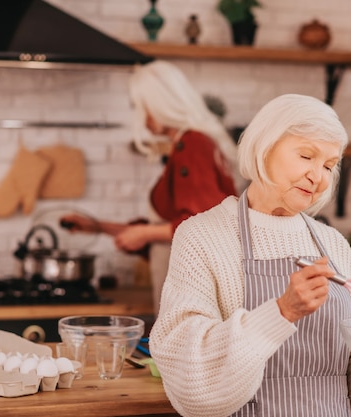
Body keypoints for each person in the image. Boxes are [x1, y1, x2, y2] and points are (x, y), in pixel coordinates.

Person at [149, 94, 351, 417]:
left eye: (329, 165)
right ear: (265, 147)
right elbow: (190, 377)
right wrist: (281, 312)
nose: (318, 176)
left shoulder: (332, 243)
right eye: (305, 156)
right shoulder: (202, 236)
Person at [60, 60, 239, 314]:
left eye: (141, 107)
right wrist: (98, 227)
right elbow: (169, 227)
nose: (141, 117)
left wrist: (143, 234)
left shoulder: (191, 145)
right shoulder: (192, 144)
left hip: (190, 290)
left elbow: (204, 224)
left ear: (159, 104)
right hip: (184, 285)